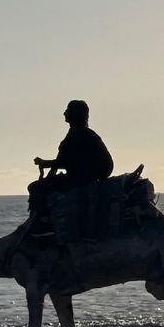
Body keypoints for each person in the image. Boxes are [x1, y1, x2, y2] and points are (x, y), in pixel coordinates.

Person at [27, 100, 114, 236]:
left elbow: (66, 161)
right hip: (81, 176)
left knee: (35, 187)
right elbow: (66, 161)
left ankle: (42, 225)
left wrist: (47, 163)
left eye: (68, 110)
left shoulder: (81, 134)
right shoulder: (79, 133)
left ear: (77, 114)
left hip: (82, 178)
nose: (64, 113)